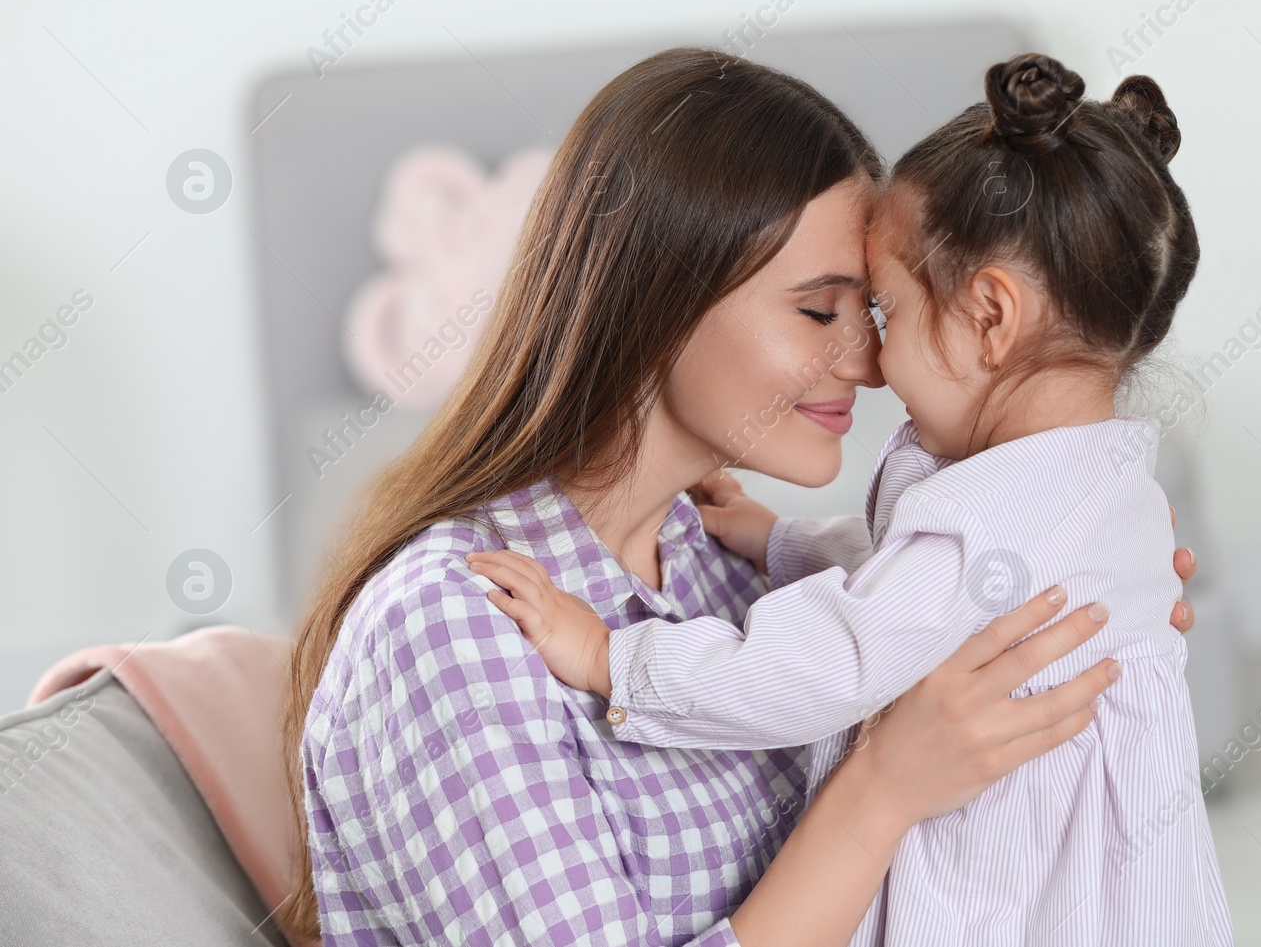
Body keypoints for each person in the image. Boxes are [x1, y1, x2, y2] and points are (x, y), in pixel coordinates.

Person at [282, 48, 1200, 947]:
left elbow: (881, 617)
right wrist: (881, 790)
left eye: (874, 312)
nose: (872, 364)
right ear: (657, 299)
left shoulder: (719, 564)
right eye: (820, 311)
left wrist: (1072, 621)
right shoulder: (458, 623)